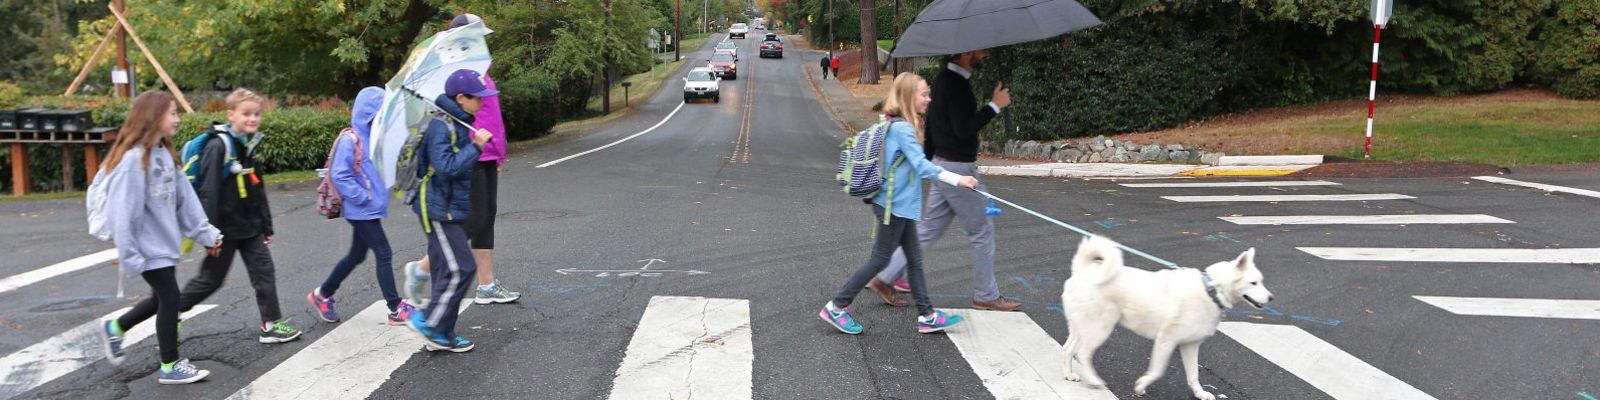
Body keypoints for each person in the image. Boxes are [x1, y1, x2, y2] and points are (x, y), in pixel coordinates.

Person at [112, 89, 305, 345]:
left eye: (257, 114)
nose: (252, 119)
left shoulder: (249, 143)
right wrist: (209, 233)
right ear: (231, 114)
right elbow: (207, 192)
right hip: (223, 230)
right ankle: (167, 315)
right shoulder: (218, 145)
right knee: (209, 281)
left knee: (264, 272)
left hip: (250, 228)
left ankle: (270, 324)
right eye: (246, 113)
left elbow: (257, 188)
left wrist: (266, 224)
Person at [819, 72, 980, 335]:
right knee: (879, 260)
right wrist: (959, 180)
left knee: (914, 260)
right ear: (908, 97)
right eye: (924, 94)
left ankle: (927, 315)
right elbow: (921, 166)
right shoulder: (903, 129)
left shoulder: (898, 124)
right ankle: (836, 306)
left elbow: (915, 164)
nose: (929, 99)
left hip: (898, 205)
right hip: (893, 207)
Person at [868, 49, 1019, 312]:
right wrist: (995, 105)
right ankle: (985, 294)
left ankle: (884, 277)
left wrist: (927, 162)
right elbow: (963, 129)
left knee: (928, 231)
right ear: (967, 52)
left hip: (942, 164)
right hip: (957, 169)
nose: (985, 54)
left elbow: (935, 128)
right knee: (982, 230)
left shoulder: (943, 81)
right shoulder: (957, 85)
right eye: (981, 50)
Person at [96, 91, 222, 384]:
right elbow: (122, 214)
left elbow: (186, 201)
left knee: (160, 297)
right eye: (172, 113)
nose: (178, 119)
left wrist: (208, 234)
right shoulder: (133, 161)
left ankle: (115, 328)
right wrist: (129, 256)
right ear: (153, 117)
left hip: (163, 244)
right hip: (144, 246)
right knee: (170, 297)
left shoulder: (165, 155)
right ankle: (169, 365)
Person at [404, 13, 521, 308]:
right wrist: (476, 148)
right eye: (475, 34)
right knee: (471, 221)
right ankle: (421, 269)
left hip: (488, 152)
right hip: (471, 152)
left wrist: (498, 152)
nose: (481, 39)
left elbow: (491, 114)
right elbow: (457, 117)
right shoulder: (453, 71)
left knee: (486, 220)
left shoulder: (480, 67)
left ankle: (486, 285)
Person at [405, 69, 496, 353]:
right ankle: (430, 323)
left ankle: (442, 333)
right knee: (462, 267)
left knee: (446, 269)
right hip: (436, 207)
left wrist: (473, 144)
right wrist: (476, 147)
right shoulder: (440, 125)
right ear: (461, 98)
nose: (482, 103)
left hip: (448, 206)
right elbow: (446, 167)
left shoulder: (457, 123)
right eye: (477, 98)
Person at [307, 87, 416, 325]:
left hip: (369, 208)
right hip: (360, 209)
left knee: (356, 255)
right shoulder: (351, 139)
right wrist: (362, 196)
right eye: (380, 111)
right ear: (369, 112)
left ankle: (322, 294)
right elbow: (339, 174)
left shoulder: (375, 138)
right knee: (384, 253)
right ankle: (395, 307)